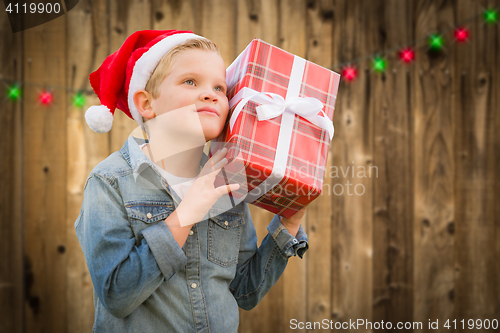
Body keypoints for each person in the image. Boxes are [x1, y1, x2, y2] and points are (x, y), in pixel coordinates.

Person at [75, 30, 309, 333]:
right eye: (190, 82)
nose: (211, 94)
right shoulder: (110, 181)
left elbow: (245, 292)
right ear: (147, 104)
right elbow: (117, 295)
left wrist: (289, 223)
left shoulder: (226, 180)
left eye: (220, 87)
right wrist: (187, 213)